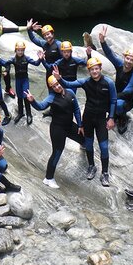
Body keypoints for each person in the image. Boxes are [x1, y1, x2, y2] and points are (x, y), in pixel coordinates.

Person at [53, 57, 117, 187]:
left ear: (100, 69)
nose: (95, 71)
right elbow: (69, 85)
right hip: (88, 117)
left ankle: (105, 172)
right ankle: (91, 166)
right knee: (88, 144)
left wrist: (111, 118)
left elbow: (113, 101)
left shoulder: (109, 83)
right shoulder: (85, 82)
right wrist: (59, 79)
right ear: (89, 71)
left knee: (104, 146)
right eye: (92, 69)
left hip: (100, 118)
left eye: (96, 69)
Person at [25, 75, 84, 189]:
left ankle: (83, 146)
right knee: (57, 152)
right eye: (54, 86)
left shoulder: (70, 92)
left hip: (69, 125)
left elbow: (76, 109)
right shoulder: (51, 97)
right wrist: (33, 101)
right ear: (51, 88)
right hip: (58, 129)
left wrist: (80, 124)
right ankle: (48, 178)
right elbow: (41, 106)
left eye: (57, 84)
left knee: (84, 140)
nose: (57, 87)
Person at [98, 25, 133, 134]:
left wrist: (112, 97)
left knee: (119, 105)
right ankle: (114, 114)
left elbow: (128, 92)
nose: (129, 61)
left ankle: (122, 117)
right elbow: (110, 54)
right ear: (124, 58)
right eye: (127, 58)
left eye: (132, 60)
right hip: (116, 96)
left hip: (126, 101)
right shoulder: (120, 65)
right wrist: (102, 41)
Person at [3, 41, 42, 125]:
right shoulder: (13, 59)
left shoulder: (26, 58)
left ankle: (29, 114)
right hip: (18, 80)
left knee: (26, 96)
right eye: (18, 50)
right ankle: (20, 113)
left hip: (24, 80)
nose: (20, 52)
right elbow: (6, 63)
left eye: (22, 50)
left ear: (24, 50)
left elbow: (36, 63)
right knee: (19, 97)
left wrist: (40, 58)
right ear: (15, 50)